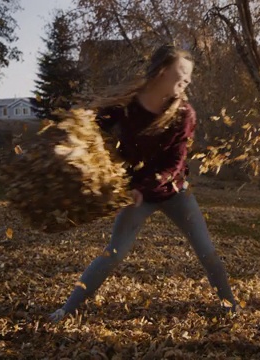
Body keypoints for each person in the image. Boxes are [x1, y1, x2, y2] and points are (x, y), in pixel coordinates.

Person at [49, 44, 237, 322]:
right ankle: (67, 309)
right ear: (162, 71)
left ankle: (231, 306)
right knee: (113, 253)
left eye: (189, 76)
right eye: (182, 74)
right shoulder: (127, 104)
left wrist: (144, 187)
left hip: (174, 191)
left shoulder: (185, 113)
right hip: (136, 194)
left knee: (206, 251)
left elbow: (175, 162)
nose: (187, 81)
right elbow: (93, 128)